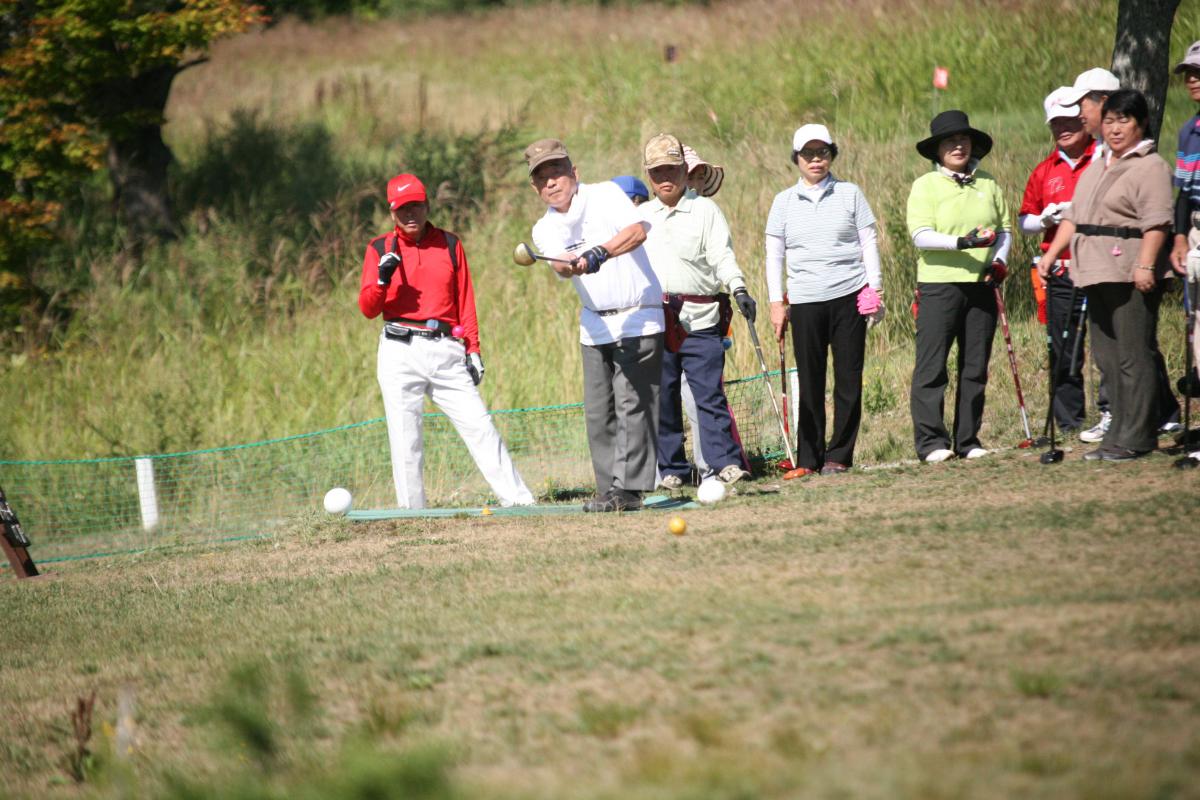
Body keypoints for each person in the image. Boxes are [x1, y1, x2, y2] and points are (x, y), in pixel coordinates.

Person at [359, 174, 534, 509]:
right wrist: (382, 279)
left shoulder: (450, 244)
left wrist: (474, 349)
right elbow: (368, 308)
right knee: (406, 438)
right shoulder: (380, 248)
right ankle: (413, 513)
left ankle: (519, 503)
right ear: (391, 212)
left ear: (427, 205)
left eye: (415, 206)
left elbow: (465, 300)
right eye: (401, 209)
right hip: (398, 349)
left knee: (480, 425)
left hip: (446, 349)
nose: (409, 214)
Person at [526, 138, 665, 512]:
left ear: (575, 173)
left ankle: (630, 490)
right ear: (536, 189)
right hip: (594, 324)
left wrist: (600, 251)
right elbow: (559, 264)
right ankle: (610, 490)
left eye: (556, 172)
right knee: (598, 411)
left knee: (632, 403)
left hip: (639, 315)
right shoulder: (545, 228)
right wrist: (569, 264)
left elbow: (637, 231)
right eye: (542, 178)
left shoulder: (606, 195)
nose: (551, 182)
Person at [1037, 89, 1174, 461]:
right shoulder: (1100, 164)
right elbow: (1073, 217)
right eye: (1110, 120)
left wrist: (1146, 264)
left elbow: (1157, 221)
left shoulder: (1151, 166)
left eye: (1124, 120)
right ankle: (1117, 431)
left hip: (1129, 268)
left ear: (1141, 123)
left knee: (1133, 353)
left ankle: (1139, 434)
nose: (1115, 129)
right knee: (1108, 357)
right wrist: (1050, 256)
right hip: (1093, 269)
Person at [637, 132, 755, 489]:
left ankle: (725, 463)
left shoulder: (705, 210)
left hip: (701, 319)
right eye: (657, 173)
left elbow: (722, 256)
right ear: (649, 178)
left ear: (684, 170)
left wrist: (739, 288)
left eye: (672, 170)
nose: (665, 179)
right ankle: (672, 468)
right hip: (657, 320)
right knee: (663, 396)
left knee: (709, 394)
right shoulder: (641, 217)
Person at [766, 123, 884, 476]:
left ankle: (839, 455)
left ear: (832, 154)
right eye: (808, 154)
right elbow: (774, 254)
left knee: (848, 378)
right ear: (796, 159)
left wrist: (874, 290)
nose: (816, 160)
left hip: (849, 295)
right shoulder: (783, 201)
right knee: (810, 379)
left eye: (822, 152)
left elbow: (868, 243)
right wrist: (776, 302)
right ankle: (808, 458)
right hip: (804, 301)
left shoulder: (850, 194)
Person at [906, 110, 1012, 463]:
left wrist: (999, 261)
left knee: (975, 365)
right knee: (932, 367)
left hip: (982, 283)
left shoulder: (989, 183)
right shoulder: (925, 185)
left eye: (963, 139)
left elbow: (1004, 230)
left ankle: (968, 439)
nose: (957, 145)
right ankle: (932, 443)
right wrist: (961, 244)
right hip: (939, 285)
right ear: (937, 149)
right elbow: (920, 235)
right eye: (950, 141)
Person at [1018, 87, 1099, 434]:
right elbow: (1025, 221)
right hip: (1059, 270)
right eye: (1055, 124)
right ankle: (1068, 421)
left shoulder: (1102, 157)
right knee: (1063, 349)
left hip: (1099, 265)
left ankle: (1117, 414)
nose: (1062, 129)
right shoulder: (1044, 170)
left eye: (1068, 120)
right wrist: (1047, 220)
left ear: (1082, 119)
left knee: (1109, 345)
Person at [1170, 41, 1200, 406]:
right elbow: (1182, 193)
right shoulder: (1188, 131)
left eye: (1199, 73)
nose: (1192, 79)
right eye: (1189, 74)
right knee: (1196, 323)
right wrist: (1179, 238)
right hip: (1194, 230)